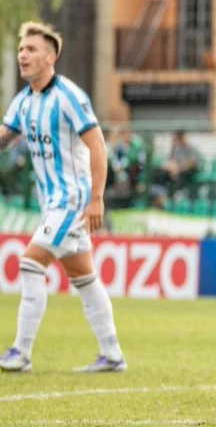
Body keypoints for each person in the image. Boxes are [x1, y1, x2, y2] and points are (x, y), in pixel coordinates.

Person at [0, 21, 127, 373]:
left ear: (50, 56)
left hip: (73, 199)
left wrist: (97, 198)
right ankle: (113, 355)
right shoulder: (24, 101)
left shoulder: (70, 96)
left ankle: (20, 352)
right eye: (21, 49)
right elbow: (4, 137)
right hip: (51, 204)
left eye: (31, 49)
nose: (22, 55)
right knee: (85, 278)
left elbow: (97, 144)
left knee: (29, 264)